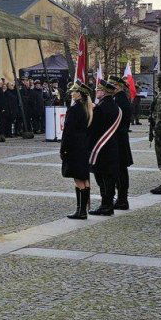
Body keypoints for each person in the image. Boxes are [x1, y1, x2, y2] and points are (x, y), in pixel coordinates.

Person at [88, 80, 123, 216]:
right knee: (109, 177)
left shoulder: (100, 107)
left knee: (103, 178)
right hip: (112, 145)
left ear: (104, 92)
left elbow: (93, 128)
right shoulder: (114, 106)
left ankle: (106, 206)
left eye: (98, 90)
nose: (96, 92)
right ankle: (107, 204)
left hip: (101, 147)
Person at [62, 82, 94, 219]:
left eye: (74, 92)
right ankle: (82, 210)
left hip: (74, 147)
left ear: (79, 94)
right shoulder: (86, 109)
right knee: (84, 178)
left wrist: (63, 149)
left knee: (78, 178)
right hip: (83, 146)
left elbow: (68, 132)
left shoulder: (74, 109)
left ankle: (80, 211)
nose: (71, 93)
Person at [109, 75, 134, 210]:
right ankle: (121, 198)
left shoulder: (120, 100)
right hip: (119, 138)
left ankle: (122, 199)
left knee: (120, 170)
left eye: (111, 85)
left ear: (118, 86)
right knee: (119, 170)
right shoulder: (119, 98)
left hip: (119, 139)